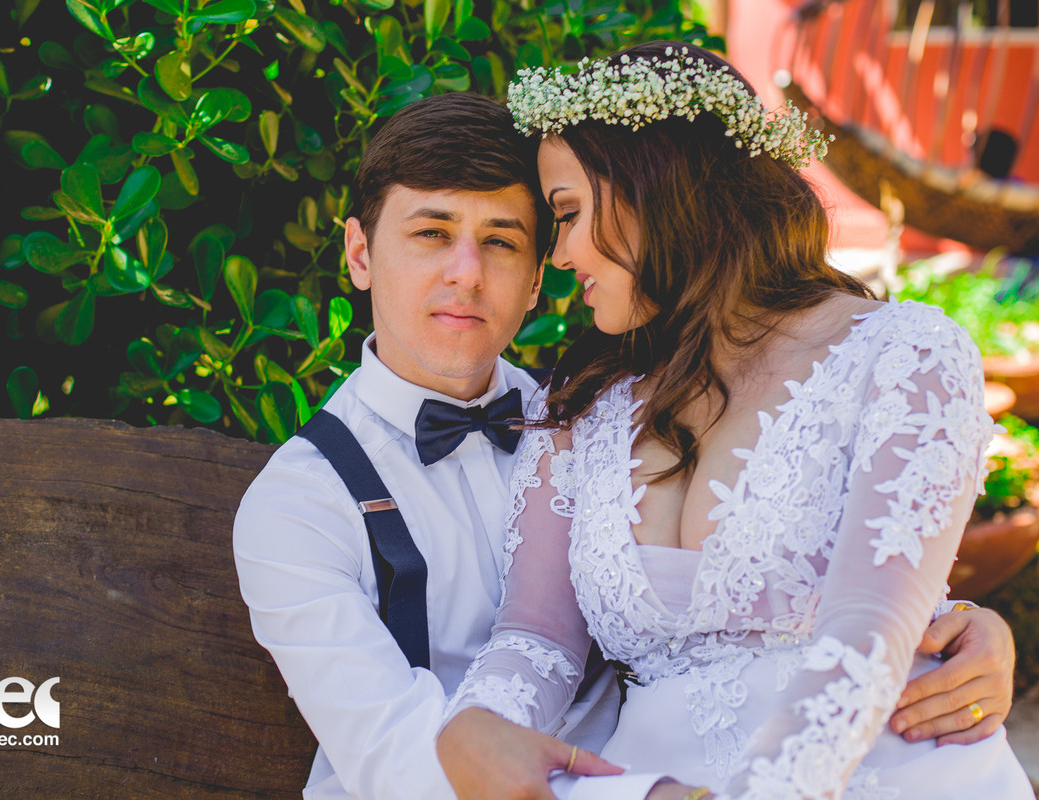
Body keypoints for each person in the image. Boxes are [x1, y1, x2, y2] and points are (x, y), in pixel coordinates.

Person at [233, 91, 1018, 800]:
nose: (466, 275)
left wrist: (955, 621)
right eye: (432, 234)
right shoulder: (300, 505)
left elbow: (864, 594)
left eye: (510, 241)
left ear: (539, 277)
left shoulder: (571, 407)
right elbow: (416, 756)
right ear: (360, 253)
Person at [436, 42, 1033, 800]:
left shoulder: (903, 356)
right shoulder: (584, 405)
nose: (559, 255)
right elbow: (540, 639)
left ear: (658, 185)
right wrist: (480, 722)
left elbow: (867, 631)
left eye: (569, 213)